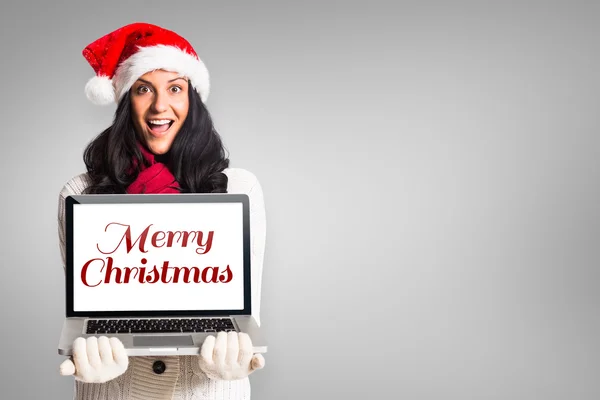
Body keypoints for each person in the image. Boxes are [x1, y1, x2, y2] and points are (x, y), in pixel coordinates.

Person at [56, 22, 267, 400]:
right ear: (125, 102)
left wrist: (233, 353)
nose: (159, 106)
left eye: (175, 88)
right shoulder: (80, 193)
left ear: (193, 100)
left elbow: (241, 305)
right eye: (143, 89)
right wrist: (90, 356)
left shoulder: (240, 189)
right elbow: (88, 303)